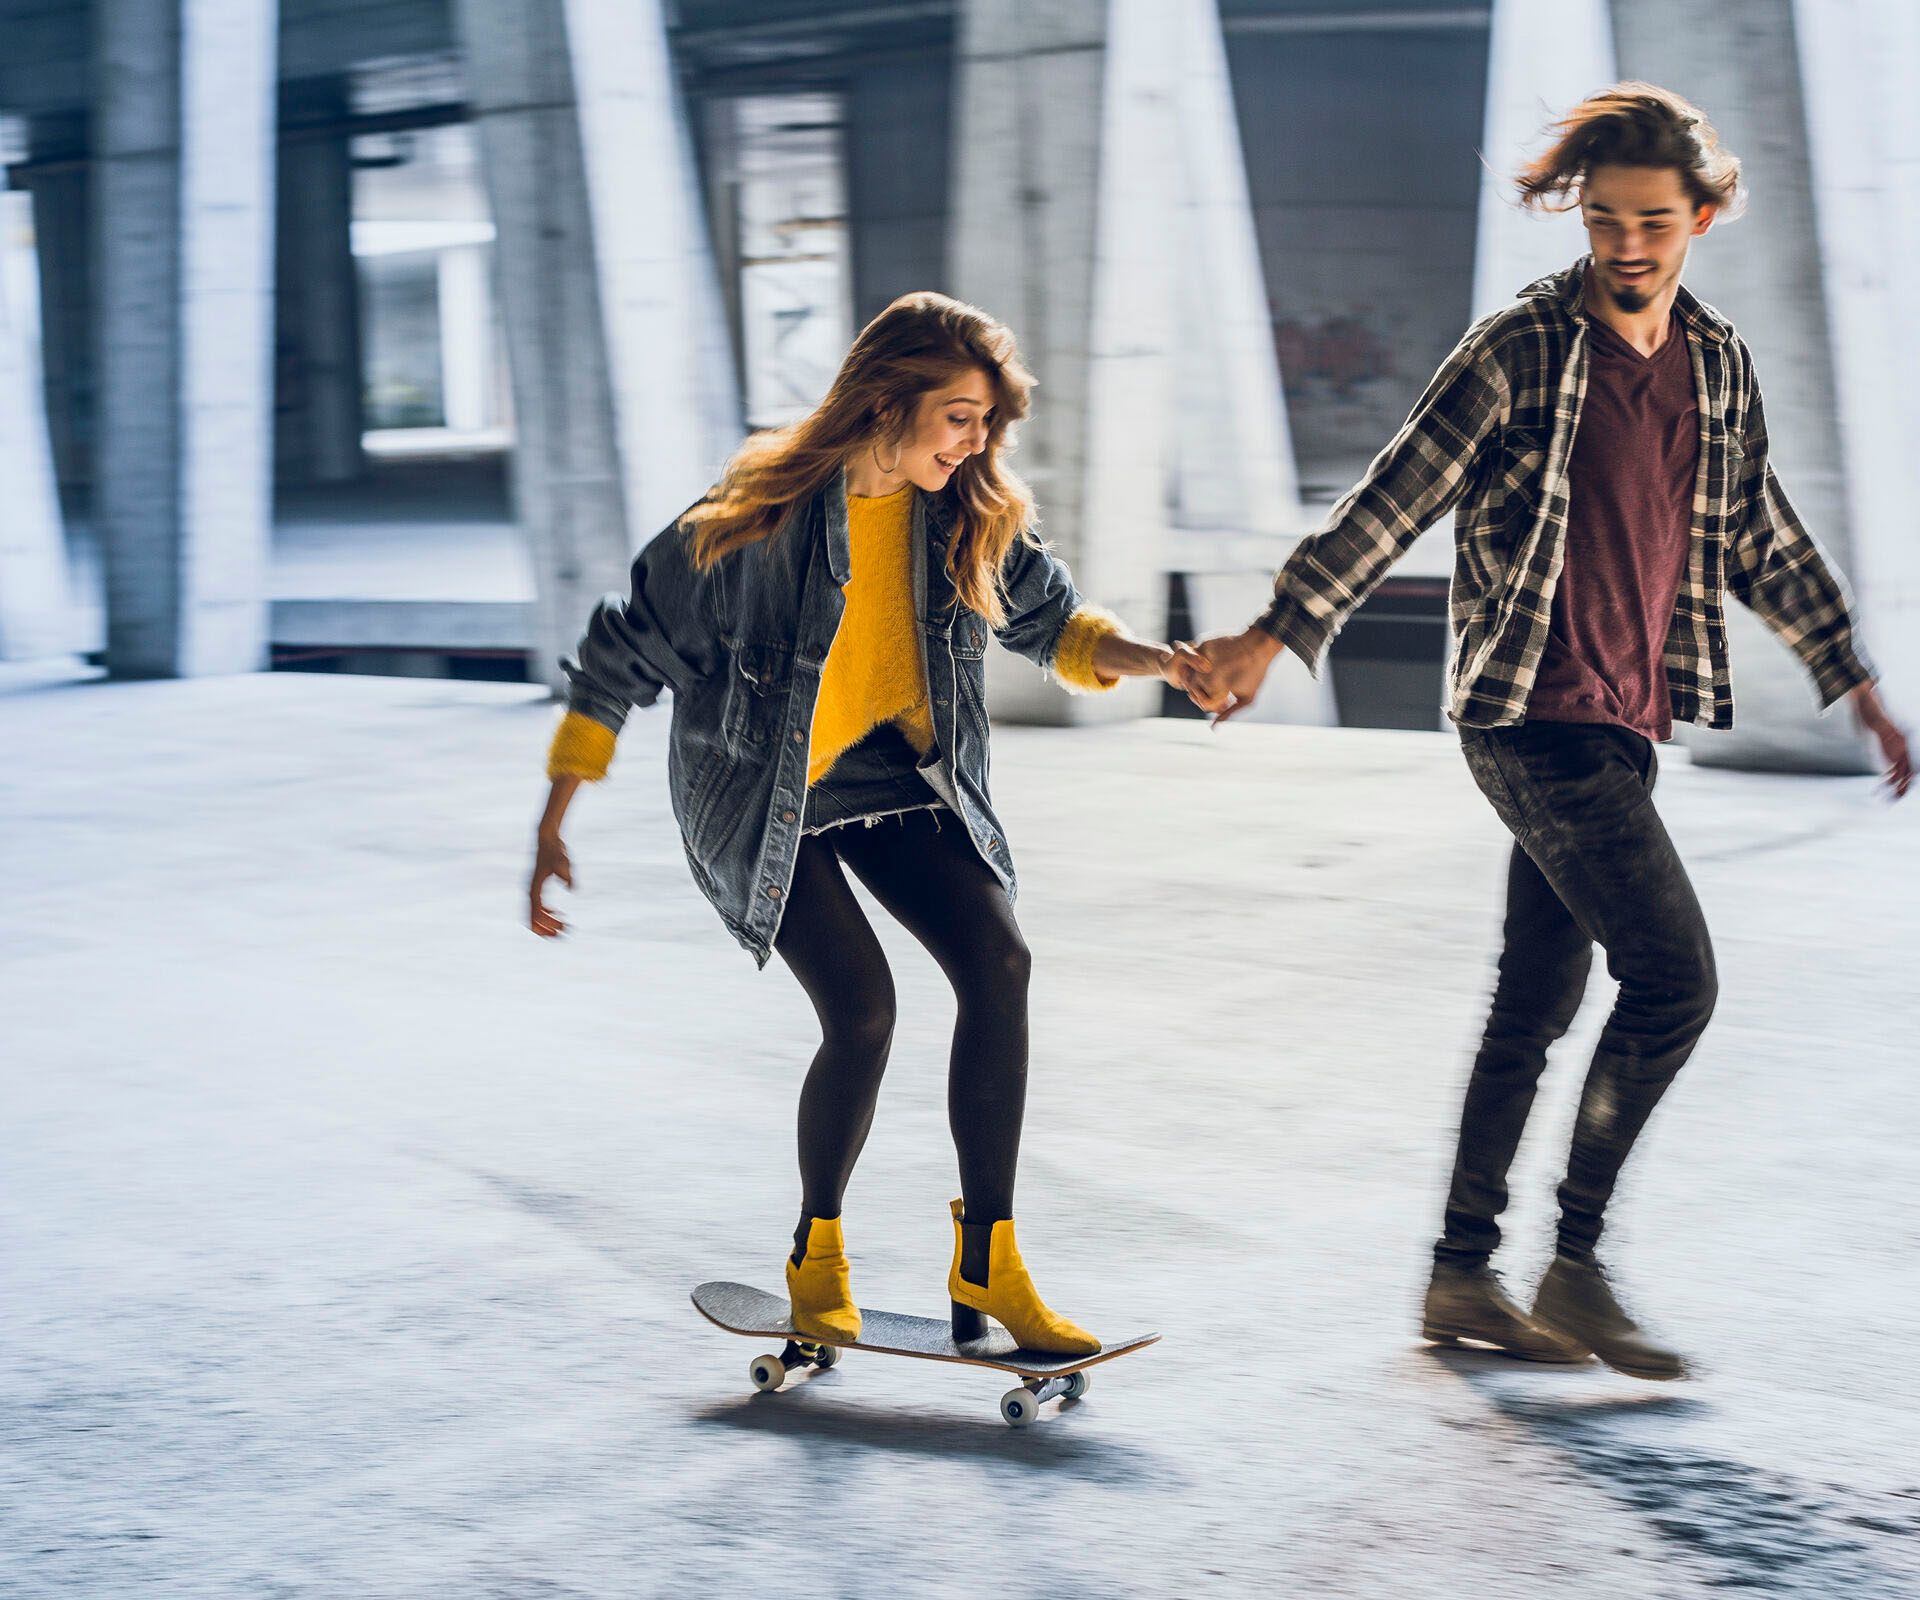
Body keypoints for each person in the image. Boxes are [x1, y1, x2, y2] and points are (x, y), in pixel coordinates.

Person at [1190, 85, 1911, 1379]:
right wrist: (1278, 627)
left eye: (1651, 220)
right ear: (1577, 215)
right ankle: (1574, 1268)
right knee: (1675, 978)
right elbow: (1396, 490)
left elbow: (1755, 530)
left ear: (1700, 215)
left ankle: (1460, 1279)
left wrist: (1849, 673)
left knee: (1534, 1005)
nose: (1626, 245)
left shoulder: (1720, 364)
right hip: (1529, 715)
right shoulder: (1523, 345)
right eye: (1602, 220)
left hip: (1627, 722)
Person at [528, 291, 1213, 1353]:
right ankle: (818, 1252)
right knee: (864, 1011)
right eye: (958, 417)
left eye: (987, 422)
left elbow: (1055, 625)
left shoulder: (965, 511)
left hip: (893, 775)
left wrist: (1160, 661)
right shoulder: (746, 526)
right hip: (766, 794)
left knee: (1001, 962)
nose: (977, 441)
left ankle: (988, 1262)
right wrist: (554, 819)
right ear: (887, 402)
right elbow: (622, 653)